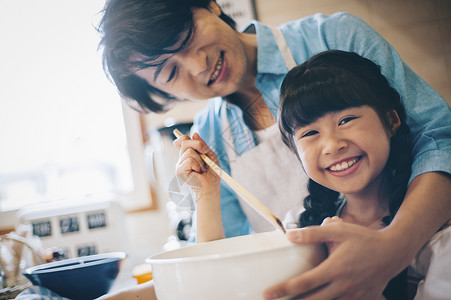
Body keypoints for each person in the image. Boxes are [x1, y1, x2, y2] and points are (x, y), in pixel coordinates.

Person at [96, 0, 451, 299]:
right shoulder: (210, 134)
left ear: (209, 5)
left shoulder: (336, 37)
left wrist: (395, 247)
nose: (198, 66)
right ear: (170, 96)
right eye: (171, 73)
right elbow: (232, 260)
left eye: (184, 38)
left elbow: (438, 138)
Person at [276, 50, 451, 300]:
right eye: (310, 133)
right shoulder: (296, 228)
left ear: (391, 121)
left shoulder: (437, 233)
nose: (332, 145)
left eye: (346, 120)